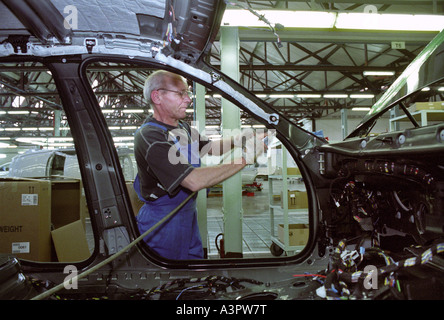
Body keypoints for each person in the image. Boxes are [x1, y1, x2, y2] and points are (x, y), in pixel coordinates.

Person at [134, 70, 265, 260]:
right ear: (157, 96)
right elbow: (193, 181)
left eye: (188, 94)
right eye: (181, 93)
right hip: (162, 223)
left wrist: (240, 140)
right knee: (168, 281)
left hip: (187, 215)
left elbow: (211, 147)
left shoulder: (183, 128)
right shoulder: (150, 136)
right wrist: (245, 159)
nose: (188, 100)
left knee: (193, 271)